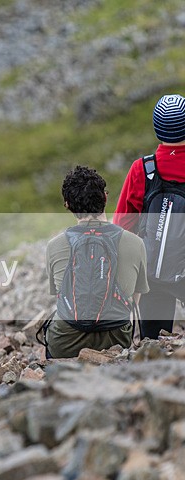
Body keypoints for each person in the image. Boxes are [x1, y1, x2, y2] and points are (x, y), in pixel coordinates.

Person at [44, 166, 148, 358]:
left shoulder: (54, 246)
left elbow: (60, 295)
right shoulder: (136, 243)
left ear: (67, 205)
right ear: (105, 197)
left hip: (65, 342)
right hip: (116, 339)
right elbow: (134, 300)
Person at [114, 94, 185, 339]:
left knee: (152, 344)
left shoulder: (142, 170)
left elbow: (122, 227)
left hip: (153, 274)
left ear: (157, 129)